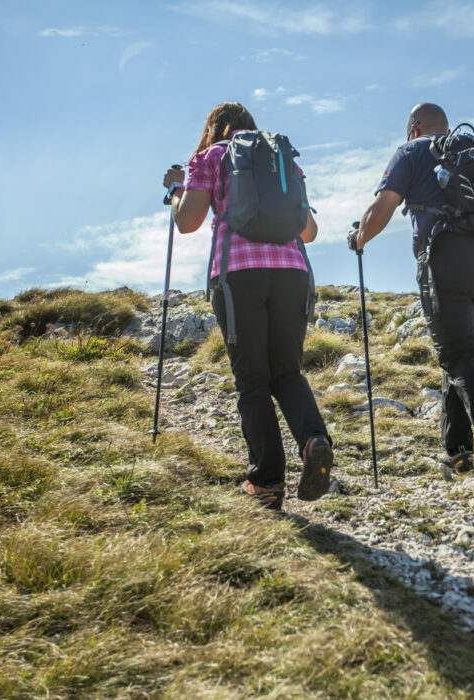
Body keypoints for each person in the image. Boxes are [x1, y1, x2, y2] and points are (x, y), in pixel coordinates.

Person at [347, 103, 474, 496]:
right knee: (462, 353)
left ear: (413, 129)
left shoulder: (411, 151)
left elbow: (383, 207)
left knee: (456, 357)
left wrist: (359, 237)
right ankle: (457, 452)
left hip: (445, 259)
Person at [164, 101, 333, 510]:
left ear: (213, 128)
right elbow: (308, 231)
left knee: (252, 380)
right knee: (288, 372)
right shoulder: (282, 159)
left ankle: (267, 481)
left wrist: (176, 191)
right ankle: (314, 441)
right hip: (293, 272)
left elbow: (187, 222)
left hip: (238, 275)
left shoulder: (209, 157)